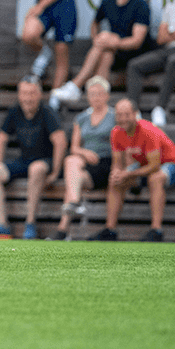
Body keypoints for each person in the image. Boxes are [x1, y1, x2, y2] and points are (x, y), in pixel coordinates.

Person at [51, 0, 152, 111]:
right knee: (105, 54)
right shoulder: (108, 3)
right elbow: (94, 23)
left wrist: (112, 41)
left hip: (135, 55)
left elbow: (137, 41)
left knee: (105, 41)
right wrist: (97, 39)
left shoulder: (140, 5)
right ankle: (98, 104)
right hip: (113, 52)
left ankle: (76, 85)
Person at [88, 97, 175, 242]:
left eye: (126, 114)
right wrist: (117, 173)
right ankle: (110, 229)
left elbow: (155, 166)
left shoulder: (148, 130)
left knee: (155, 178)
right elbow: (117, 163)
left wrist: (129, 173)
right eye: (119, 115)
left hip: (174, 164)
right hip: (143, 166)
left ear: (135, 114)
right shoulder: (116, 132)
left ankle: (156, 230)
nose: (122, 119)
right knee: (115, 180)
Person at [0, 75, 66, 240]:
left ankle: (30, 223)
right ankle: (2, 225)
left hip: (45, 162)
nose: (28, 98)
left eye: (32, 93)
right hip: (24, 162)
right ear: (19, 95)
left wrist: (55, 172)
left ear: (39, 95)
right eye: (24, 93)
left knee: (36, 168)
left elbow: (60, 141)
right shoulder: (15, 112)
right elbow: (1, 138)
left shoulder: (47, 112)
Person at [53, 75, 115, 240]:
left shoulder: (114, 117)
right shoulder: (81, 118)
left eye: (100, 94)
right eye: (92, 94)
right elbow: (74, 147)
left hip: (107, 162)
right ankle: (74, 202)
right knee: (71, 162)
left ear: (107, 96)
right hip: (85, 162)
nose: (96, 97)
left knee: (72, 178)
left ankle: (62, 230)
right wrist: (85, 153)